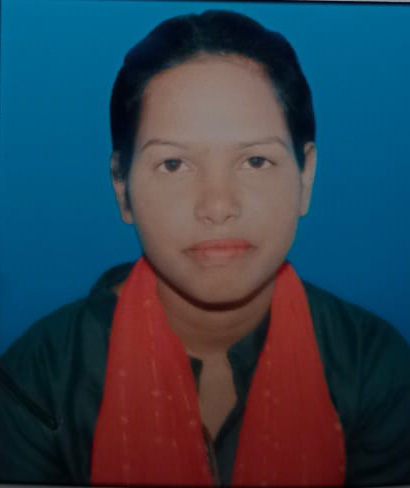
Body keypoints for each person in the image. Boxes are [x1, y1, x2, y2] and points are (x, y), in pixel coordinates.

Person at [1, 9, 409, 487]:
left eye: (255, 161)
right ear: (122, 187)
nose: (218, 206)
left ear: (306, 178)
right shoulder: (41, 378)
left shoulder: (373, 366)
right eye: (174, 165)